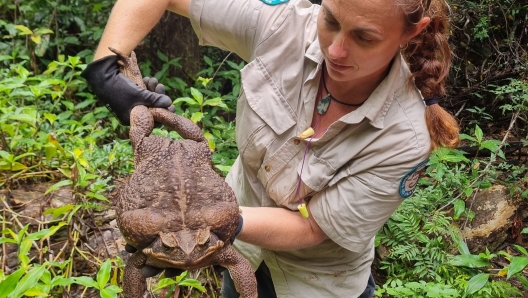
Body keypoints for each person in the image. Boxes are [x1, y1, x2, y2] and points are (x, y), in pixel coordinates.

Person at [81, 0, 460, 296]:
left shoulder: (405, 136)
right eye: (330, 20)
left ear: (412, 32)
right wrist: (106, 71)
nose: (337, 50)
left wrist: (214, 223)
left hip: (317, 283)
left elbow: (314, 228)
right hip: (242, 254)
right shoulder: (284, 24)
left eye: (365, 37)